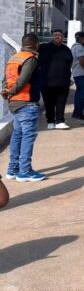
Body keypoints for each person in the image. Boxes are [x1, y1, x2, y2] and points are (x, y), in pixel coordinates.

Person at [3, 33, 46, 182]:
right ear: (36, 44)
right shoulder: (31, 59)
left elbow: (6, 80)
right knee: (28, 136)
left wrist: (7, 92)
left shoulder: (14, 58)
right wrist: (12, 92)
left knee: (17, 135)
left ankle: (12, 169)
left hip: (15, 103)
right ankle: (25, 171)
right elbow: (23, 80)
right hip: (27, 103)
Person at [38, 29, 73, 129]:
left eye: (59, 35)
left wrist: (69, 78)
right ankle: (50, 121)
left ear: (62, 37)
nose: (57, 37)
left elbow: (69, 63)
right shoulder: (43, 47)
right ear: (52, 37)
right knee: (49, 103)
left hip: (63, 82)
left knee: (61, 102)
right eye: (55, 35)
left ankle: (60, 121)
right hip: (46, 82)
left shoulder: (66, 49)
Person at [71, 31, 84, 120]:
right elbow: (82, 62)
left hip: (79, 74)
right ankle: (79, 113)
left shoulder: (77, 47)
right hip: (82, 74)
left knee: (79, 94)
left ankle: (77, 113)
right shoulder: (79, 47)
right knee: (81, 95)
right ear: (81, 38)